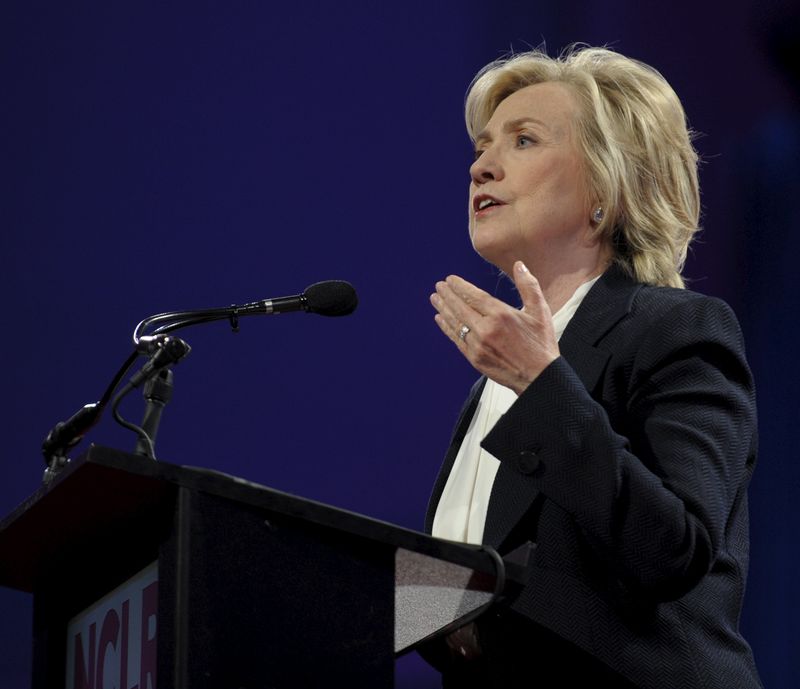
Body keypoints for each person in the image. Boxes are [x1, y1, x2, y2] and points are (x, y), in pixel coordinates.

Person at [425, 46, 763, 689]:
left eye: (522, 141)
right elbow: (474, 602)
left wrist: (538, 384)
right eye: (481, 146)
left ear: (606, 189)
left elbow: (674, 550)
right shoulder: (489, 384)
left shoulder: (677, 331)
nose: (481, 167)